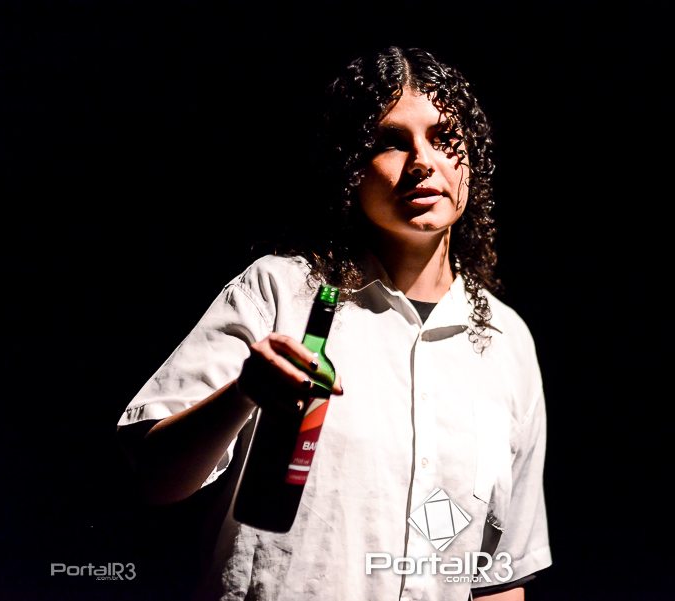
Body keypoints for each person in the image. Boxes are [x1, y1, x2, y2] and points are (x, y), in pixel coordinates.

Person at [117, 46, 551, 601]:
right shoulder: (280, 291)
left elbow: (499, 574)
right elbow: (153, 477)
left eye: (444, 138)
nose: (422, 162)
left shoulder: (506, 341)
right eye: (391, 141)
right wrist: (244, 394)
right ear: (350, 167)